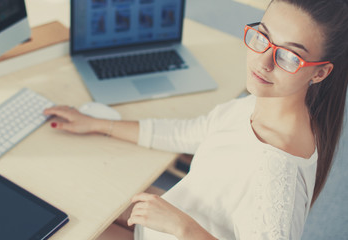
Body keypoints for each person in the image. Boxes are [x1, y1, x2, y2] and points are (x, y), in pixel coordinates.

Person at [44, 0, 348, 239]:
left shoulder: (277, 175)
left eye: (289, 56)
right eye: (262, 37)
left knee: (56, 226)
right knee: (69, 199)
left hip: (175, 228)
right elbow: (192, 132)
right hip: (162, 225)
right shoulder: (255, 105)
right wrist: (98, 124)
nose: (264, 62)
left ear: (320, 72)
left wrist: (184, 228)